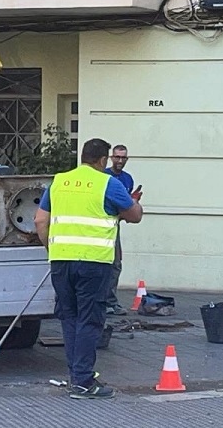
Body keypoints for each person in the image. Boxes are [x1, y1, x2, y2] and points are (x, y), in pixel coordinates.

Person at [35, 138, 143, 399]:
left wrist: (53, 249)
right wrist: (130, 202)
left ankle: (77, 376)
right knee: (89, 319)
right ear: (103, 160)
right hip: (94, 262)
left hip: (61, 261)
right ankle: (83, 382)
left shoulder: (59, 181)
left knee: (69, 317)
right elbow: (135, 215)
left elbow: (40, 220)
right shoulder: (108, 183)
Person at [103, 144, 141, 316]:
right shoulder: (104, 176)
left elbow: (126, 209)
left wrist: (133, 201)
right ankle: (101, 302)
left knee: (115, 264)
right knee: (102, 265)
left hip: (115, 225)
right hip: (101, 224)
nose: (120, 161)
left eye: (123, 157)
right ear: (111, 158)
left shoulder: (127, 179)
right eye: (117, 157)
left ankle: (111, 301)